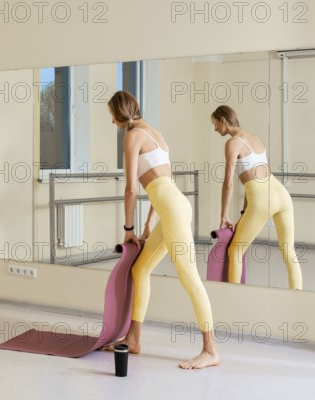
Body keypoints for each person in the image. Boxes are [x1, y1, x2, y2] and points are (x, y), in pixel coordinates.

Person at [104, 90, 219, 369]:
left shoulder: (132, 136)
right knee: (140, 269)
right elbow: (163, 183)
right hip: (173, 207)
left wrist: (128, 228)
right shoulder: (157, 134)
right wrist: (148, 224)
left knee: (189, 276)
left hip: (174, 211)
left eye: (112, 118)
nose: (112, 124)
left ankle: (211, 350)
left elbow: (131, 188)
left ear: (120, 115)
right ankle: (134, 339)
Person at [211, 105, 302, 289]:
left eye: (215, 124)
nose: (215, 129)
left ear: (223, 121)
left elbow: (228, 183)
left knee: (236, 250)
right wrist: (244, 212)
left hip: (262, 200)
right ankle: (298, 295)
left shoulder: (232, 143)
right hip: (281, 194)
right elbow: (252, 180)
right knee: (288, 251)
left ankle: (234, 296)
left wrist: (224, 216)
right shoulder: (255, 138)